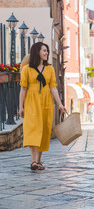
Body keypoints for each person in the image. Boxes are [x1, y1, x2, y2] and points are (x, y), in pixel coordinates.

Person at [19, 42, 66, 171]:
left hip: (46, 102)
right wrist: (20, 107)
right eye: (44, 50)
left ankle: (39, 161)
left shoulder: (50, 69)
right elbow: (23, 89)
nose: (46, 53)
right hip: (31, 102)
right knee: (33, 129)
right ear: (37, 52)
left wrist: (60, 105)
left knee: (44, 130)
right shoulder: (26, 69)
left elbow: (53, 88)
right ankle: (33, 161)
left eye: (47, 51)